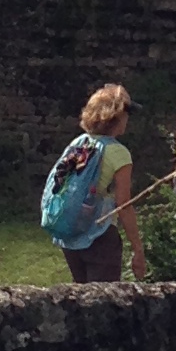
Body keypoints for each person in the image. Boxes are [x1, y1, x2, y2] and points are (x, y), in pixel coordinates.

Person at [61, 83, 145, 286]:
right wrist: (137, 248)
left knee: (80, 295)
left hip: (71, 233)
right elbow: (123, 204)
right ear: (117, 117)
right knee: (104, 298)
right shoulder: (119, 153)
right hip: (100, 235)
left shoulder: (79, 143)